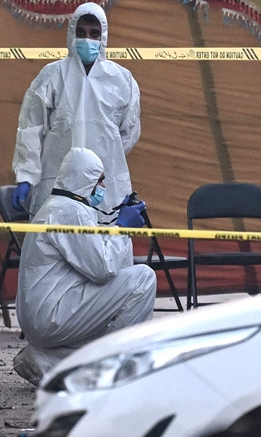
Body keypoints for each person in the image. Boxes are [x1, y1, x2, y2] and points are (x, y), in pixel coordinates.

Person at [12, 2, 141, 266]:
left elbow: (129, 131)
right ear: (71, 33)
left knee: (105, 260)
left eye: (94, 33)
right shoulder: (52, 75)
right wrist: (26, 175)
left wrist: (104, 162)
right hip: (57, 185)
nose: (87, 39)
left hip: (106, 187)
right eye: (81, 32)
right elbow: (30, 127)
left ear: (104, 36)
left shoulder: (122, 79)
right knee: (58, 260)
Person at [13, 147, 155, 385]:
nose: (102, 188)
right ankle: (112, 369)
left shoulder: (58, 207)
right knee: (143, 278)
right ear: (85, 179)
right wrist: (121, 229)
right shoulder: (69, 211)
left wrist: (117, 228)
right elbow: (103, 268)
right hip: (51, 316)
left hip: (44, 316)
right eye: (99, 181)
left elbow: (91, 252)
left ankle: (48, 360)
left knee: (114, 306)